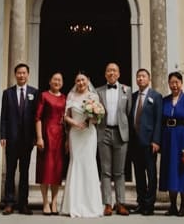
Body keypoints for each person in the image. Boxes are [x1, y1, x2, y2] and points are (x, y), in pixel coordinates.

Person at [62, 71, 105, 218]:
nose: (80, 83)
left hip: (88, 134)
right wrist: (75, 123)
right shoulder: (71, 96)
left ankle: (91, 205)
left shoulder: (93, 96)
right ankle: (73, 204)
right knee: (76, 163)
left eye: (83, 80)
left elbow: (98, 117)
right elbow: (65, 116)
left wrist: (90, 119)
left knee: (89, 164)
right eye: (78, 81)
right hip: (75, 134)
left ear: (88, 80)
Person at [159, 71, 184, 217]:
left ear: (181, 83)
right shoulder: (164, 100)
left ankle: (183, 206)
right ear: (169, 84)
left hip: (183, 138)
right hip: (168, 139)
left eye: (177, 82)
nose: (174, 85)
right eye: (172, 82)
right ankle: (172, 206)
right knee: (170, 170)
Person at [0, 63, 39, 215]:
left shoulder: (34, 92)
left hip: (27, 140)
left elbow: (36, 117)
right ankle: (9, 203)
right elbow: (4, 117)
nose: (21, 75)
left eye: (24, 73)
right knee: (10, 172)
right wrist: (3, 135)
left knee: (24, 173)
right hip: (11, 139)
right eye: (19, 73)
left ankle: (23, 204)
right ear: (15, 74)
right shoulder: (7, 93)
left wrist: (35, 137)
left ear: (28, 75)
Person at [95, 62, 130, 216]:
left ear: (119, 74)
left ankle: (120, 203)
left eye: (114, 70)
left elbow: (128, 112)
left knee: (120, 171)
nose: (111, 73)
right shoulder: (98, 91)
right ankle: (107, 204)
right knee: (105, 171)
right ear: (105, 74)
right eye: (109, 70)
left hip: (121, 133)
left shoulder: (126, 90)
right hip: (104, 132)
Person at [128, 68, 163, 216]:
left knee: (151, 174)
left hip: (149, 143)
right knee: (139, 175)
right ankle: (141, 203)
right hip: (135, 142)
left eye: (143, 76)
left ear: (149, 79)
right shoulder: (133, 96)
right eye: (138, 77)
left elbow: (158, 120)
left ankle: (149, 205)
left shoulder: (156, 96)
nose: (140, 79)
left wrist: (156, 140)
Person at [35, 72, 68, 215]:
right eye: (55, 79)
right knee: (45, 169)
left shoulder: (65, 98)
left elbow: (66, 119)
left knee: (57, 170)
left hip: (60, 136)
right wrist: (39, 137)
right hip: (46, 134)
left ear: (62, 83)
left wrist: (67, 139)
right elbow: (38, 117)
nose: (57, 82)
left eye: (60, 80)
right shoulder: (44, 96)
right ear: (49, 81)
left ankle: (54, 201)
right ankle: (45, 202)